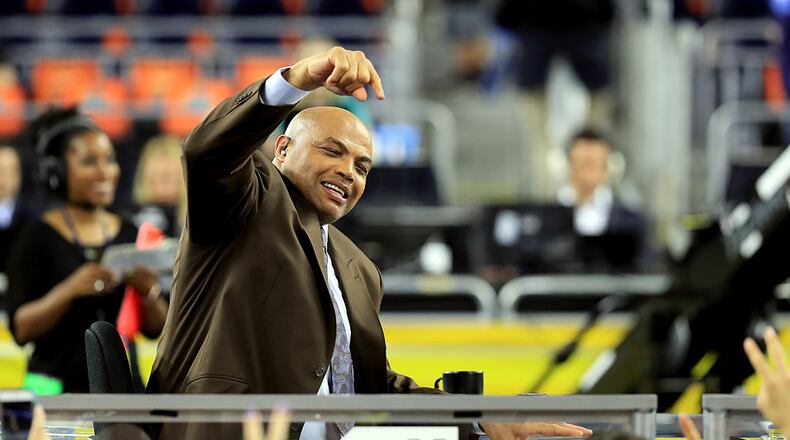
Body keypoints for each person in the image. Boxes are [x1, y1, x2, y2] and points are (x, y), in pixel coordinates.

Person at [148, 46, 592, 440]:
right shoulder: (247, 204)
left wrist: (478, 416)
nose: (349, 172)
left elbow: (369, 386)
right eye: (332, 151)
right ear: (281, 150)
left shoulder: (358, 267)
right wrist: (296, 80)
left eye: (363, 167)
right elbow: (207, 152)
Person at [6, 107, 168, 393]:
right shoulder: (35, 237)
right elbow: (21, 329)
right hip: (51, 392)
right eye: (89, 161)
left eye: (109, 160)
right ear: (56, 171)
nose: (104, 171)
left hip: (122, 392)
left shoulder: (132, 232)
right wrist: (70, 289)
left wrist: (148, 291)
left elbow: (156, 329)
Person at [557, 128, 652, 272]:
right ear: (569, 166)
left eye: (594, 165)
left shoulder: (632, 222)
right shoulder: (548, 218)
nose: (587, 174)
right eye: (581, 164)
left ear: (608, 168)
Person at [130, 135, 186, 238]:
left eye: (170, 175)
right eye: (159, 176)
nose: (164, 168)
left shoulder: (199, 221)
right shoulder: (131, 224)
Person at [0, 145, 34, 271]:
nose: (3, 178)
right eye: (0, 170)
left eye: (9, 171)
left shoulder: (32, 218)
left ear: (19, 176)